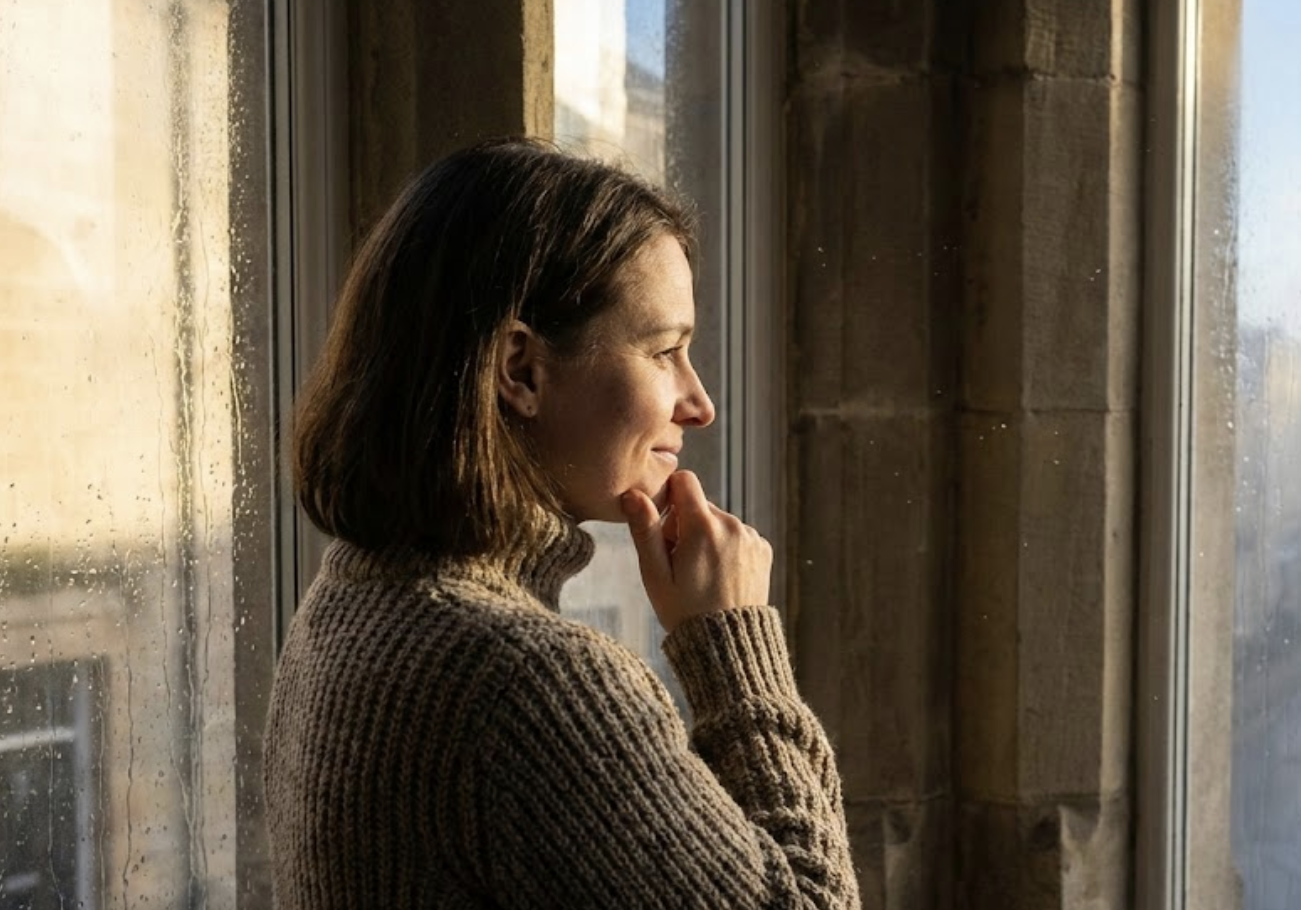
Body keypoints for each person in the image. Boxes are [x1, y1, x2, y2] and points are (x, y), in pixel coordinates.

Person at [264, 137, 860, 909]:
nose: (699, 402)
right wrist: (734, 645)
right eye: (665, 352)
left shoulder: (348, 602)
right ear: (520, 370)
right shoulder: (531, 687)